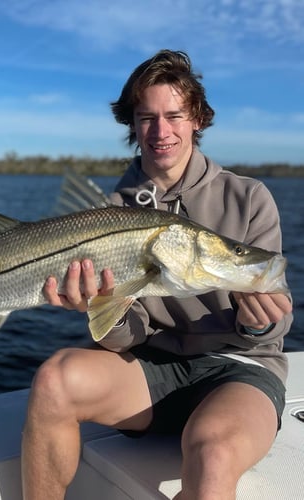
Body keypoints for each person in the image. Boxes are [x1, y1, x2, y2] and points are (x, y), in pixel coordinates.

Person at [21, 49, 293, 500]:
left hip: (239, 368)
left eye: (174, 115)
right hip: (149, 369)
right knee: (54, 379)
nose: (160, 131)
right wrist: (97, 306)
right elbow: (127, 336)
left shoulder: (249, 197)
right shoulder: (106, 215)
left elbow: (275, 323)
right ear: (133, 125)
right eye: (147, 117)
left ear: (198, 119)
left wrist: (258, 319)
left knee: (214, 456)